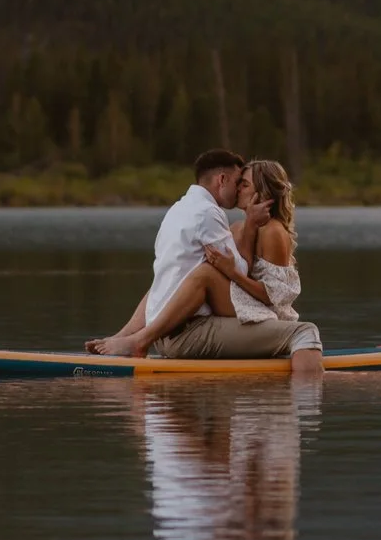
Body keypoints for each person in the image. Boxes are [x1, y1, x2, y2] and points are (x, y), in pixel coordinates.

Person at [93, 150, 322, 377]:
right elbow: (231, 272)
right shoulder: (235, 228)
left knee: (304, 330)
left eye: (245, 184)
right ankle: (128, 339)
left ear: (262, 193)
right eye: (238, 182)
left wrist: (232, 271)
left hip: (263, 315)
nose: (238, 188)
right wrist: (235, 264)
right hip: (230, 314)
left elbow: (275, 298)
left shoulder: (272, 231)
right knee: (177, 277)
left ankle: (301, 395)